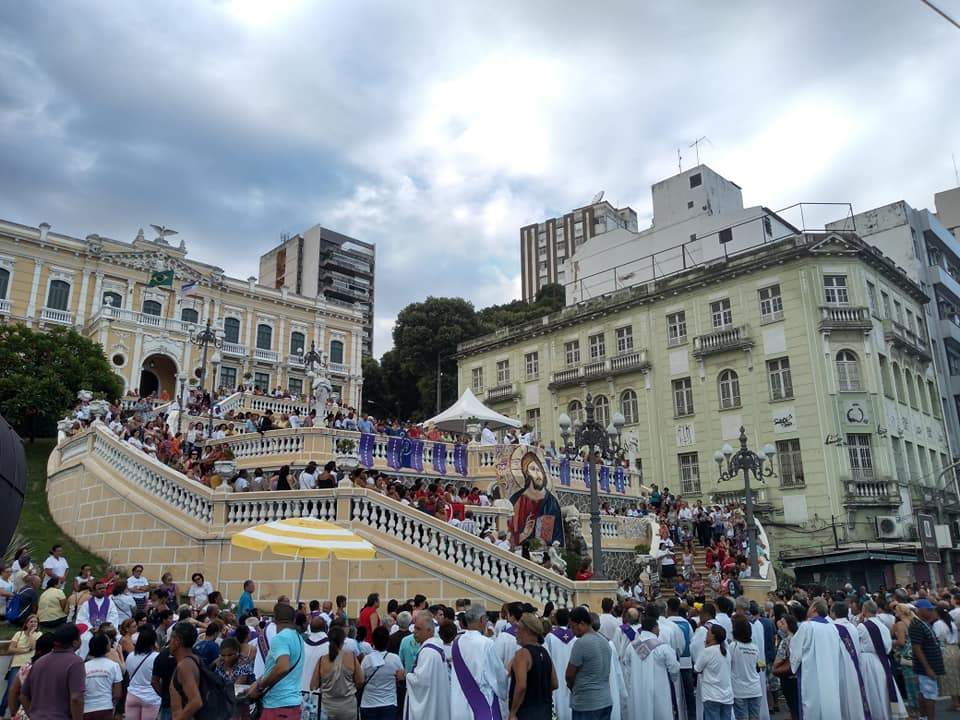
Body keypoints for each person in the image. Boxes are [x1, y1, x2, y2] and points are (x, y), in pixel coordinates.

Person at [246, 603, 305, 720]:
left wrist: (260, 686)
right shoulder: (298, 638)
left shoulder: (281, 638)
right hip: (292, 703)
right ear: (293, 619)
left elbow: (283, 667)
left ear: (275, 619)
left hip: (277, 704)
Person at [450, 604, 508, 720]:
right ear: (482, 620)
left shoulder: (456, 643)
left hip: (458, 705)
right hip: (482, 704)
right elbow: (497, 675)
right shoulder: (486, 643)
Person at [789, 599, 844, 720]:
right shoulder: (833, 628)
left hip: (811, 676)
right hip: (830, 675)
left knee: (811, 707)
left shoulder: (807, 626)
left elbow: (795, 650)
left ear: (814, 609)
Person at [21, 623, 86, 720]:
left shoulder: (39, 662)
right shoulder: (76, 662)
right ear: (75, 642)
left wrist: (33, 715)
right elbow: (76, 698)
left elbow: (23, 695)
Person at [622, 613, 679, 720]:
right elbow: (674, 667)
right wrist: (673, 678)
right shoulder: (662, 647)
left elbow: (627, 667)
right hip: (659, 691)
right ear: (654, 628)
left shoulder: (631, 647)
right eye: (658, 628)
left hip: (637, 691)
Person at [857, 600, 906, 720]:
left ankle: (877, 715)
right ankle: (891, 714)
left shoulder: (862, 626)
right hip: (883, 661)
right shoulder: (883, 626)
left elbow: (857, 644)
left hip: (868, 661)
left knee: (873, 690)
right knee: (885, 689)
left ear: (865, 610)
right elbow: (888, 645)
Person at [508, 452, 564, 548]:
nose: (538, 474)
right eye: (533, 469)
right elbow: (509, 537)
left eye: (539, 470)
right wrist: (525, 534)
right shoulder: (516, 500)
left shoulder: (551, 502)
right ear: (526, 473)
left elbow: (555, 536)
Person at [565, 606, 612, 720]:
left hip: (587, 703)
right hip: (605, 700)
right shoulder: (605, 641)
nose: (571, 630)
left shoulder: (581, 643)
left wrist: (572, 687)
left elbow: (569, 675)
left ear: (581, 624)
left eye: (572, 627)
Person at [508, 612, 556, 720]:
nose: (516, 631)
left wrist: (513, 712)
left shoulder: (522, 654)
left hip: (526, 712)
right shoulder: (545, 652)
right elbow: (554, 683)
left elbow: (521, 686)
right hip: (545, 711)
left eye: (519, 628)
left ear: (528, 630)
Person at [404, 610, 450, 720]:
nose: (414, 632)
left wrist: (406, 675)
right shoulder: (436, 645)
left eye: (418, 629)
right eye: (414, 628)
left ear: (429, 631)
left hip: (429, 704)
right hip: (437, 699)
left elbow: (421, 681)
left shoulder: (428, 651)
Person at [312, 625, 363, 720]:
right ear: (343, 641)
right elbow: (360, 681)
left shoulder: (322, 660)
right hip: (348, 707)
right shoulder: (351, 657)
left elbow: (313, 685)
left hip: (327, 707)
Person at [6, 632, 55, 720]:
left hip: (24, 713)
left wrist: (13, 714)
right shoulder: (57, 668)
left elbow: (13, 691)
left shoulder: (27, 667)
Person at [910, 598, 945, 720]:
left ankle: (923, 717)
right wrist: (928, 668)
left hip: (929, 665)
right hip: (926, 667)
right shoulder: (916, 625)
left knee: (925, 693)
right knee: (930, 696)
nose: (931, 612)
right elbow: (917, 648)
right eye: (928, 610)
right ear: (919, 610)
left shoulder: (924, 623)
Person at [359, 625, 404, 720]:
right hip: (389, 703)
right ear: (388, 641)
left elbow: (361, 680)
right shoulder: (395, 659)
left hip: (368, 703)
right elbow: (401, 677)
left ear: (373, 641)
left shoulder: (367, 659)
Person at [1, 614, 41, 711]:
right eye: (31, 622)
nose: (33, 623)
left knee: (26, 690)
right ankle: (2, 713)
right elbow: (10, 649)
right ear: (26, 623)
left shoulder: (39, 634)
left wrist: (31, 634)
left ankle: (18, 713)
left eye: (35, 622)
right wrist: (24, 650)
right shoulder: (19, 634)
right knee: (11, 689)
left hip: (31, 665)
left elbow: (34, 647)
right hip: (17, 665)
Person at [694, 624, 734, 720]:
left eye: (708, 633)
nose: (706, 634)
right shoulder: (726, 652)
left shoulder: (707, 651)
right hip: (727, 695)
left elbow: (696, 669)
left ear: (713, 636)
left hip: (712, 695)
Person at [543, 608, 576, 720]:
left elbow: (546, 660)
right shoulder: (576, 636)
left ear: (556, 620)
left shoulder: (550, 637)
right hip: (573, 678)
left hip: (556, 679)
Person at [83, 633, 123, 720]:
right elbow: (117, 693)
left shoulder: (83, 667)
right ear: (106, 647)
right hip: (106, 708)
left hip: (86, 710)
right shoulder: (114, 666)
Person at [125, 625, 162, 720]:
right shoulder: (157, 657)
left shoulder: (130, 656)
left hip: (132, 694)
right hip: (151, 696)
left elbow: (129, 674)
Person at [729, 615, 762, 720]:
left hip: (739, 691)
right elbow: (757, 666)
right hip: (755, 689)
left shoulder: (733, 646)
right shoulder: (755, 647)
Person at [169, 622, 204, 720]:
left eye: (171, 638)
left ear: (177, 641)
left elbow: (196, 701)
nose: (169, 642)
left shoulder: (184, 665)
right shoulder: (194, 659)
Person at [772, 615, 799, 720]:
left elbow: (777, 662)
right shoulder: (800, 639)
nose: (780, 625)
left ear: (789, 625)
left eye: (783, 623)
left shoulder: (785, 641)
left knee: (792, 706)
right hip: (800, 676)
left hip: (788, 677)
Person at [934, 604, 960, 711]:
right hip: (956, 650)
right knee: (957, 675)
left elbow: (937, 638)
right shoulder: (952, 623)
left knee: (951, 678)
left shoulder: (938, 624)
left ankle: (956, 703)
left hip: (946, 650)